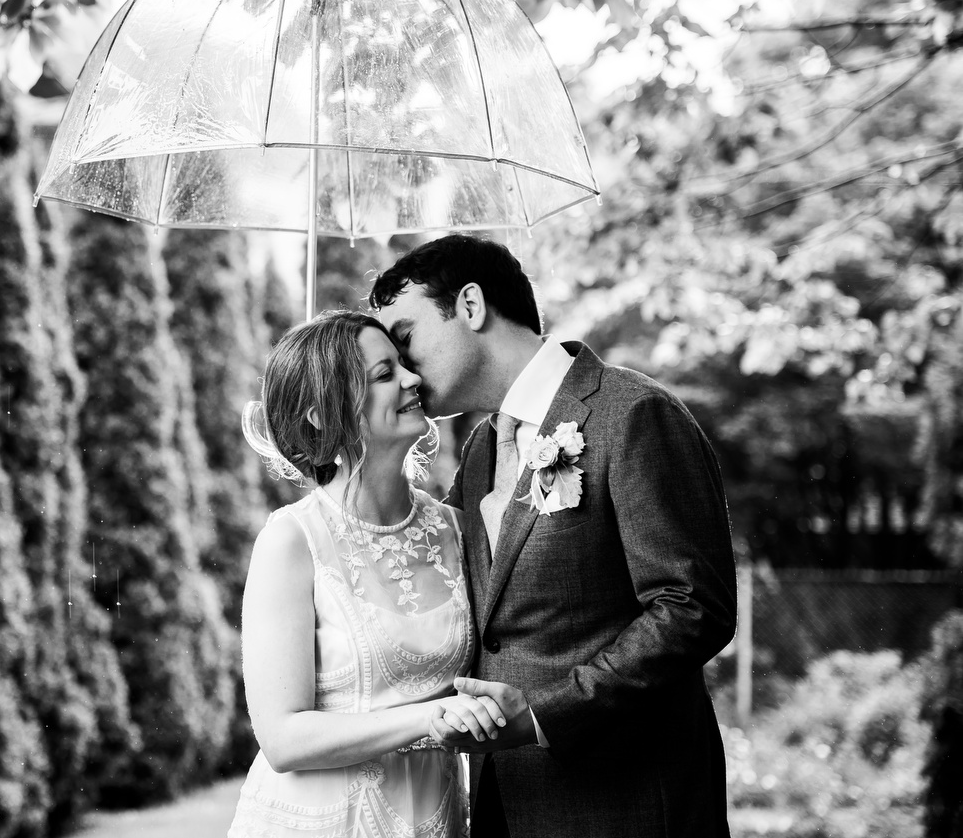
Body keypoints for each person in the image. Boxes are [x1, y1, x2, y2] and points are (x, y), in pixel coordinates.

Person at [370, 234, 738, 838]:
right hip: (506, 807)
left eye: (405, 339)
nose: (404, 371)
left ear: (470, 305)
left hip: (628, 806)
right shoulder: (484, 448)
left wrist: (544, 716)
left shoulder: (633, 413)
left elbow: (693, 606)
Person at [228, 310, 508, 838]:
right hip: (318, 821)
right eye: (384, 375)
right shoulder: (292, 540)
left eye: (402, 365)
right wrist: (432, 718)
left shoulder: (458, 530)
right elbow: (283, 739)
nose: (412, 379)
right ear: (320, 414)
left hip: (434, 816)